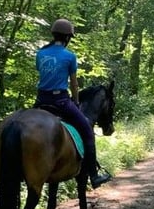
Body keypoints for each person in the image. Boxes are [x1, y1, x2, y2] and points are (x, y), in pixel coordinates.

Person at [34, 18, 112, 189]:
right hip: (60, 101)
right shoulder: (69, 56)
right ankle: (94, 175)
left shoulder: (41, 53)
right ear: (68, 37)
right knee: (87, 131)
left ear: (54, 34)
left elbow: (42, 73)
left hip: (41, 101)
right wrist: (76, 101)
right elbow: (74, 84)